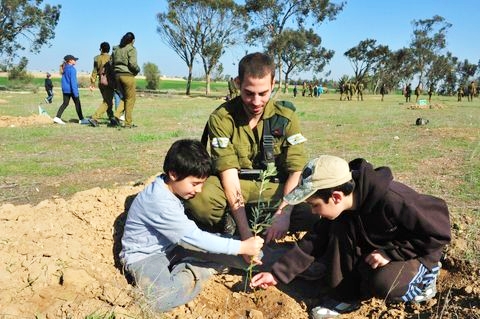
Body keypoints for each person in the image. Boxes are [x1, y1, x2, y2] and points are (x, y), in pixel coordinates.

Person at [251, 155, 451, 318]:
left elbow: (438, 233)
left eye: (314, 205)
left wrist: (392, 253)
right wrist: (276, 275)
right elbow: (313, 242)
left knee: (383, 284)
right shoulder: (342, 207)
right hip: (378, 248)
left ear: (336, 196)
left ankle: (426, 278)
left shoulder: (395, 200)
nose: (313, 212)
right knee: (336, 233)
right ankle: (346, 296)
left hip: (415, 250)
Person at [185, 52, 318, 250]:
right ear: (238, 83)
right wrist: (246, 236)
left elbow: (295, 170)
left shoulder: (287, 117)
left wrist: (283, 214)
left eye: (263, 93)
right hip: (234, 185)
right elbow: (228, 175)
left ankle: (270, 222)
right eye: (248, 93)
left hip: (276, 188)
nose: (256, 102)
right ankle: (234, 225)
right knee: (200, 200)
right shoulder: (222, 118)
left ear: (273, 84)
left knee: (314, 206)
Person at [120, 139, 264, 312]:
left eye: (202, 183)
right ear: (173, 174)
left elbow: (191, 238)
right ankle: (198, 269)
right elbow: (193, 238)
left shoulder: (174, 187)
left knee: (255, 255)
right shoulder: (158, 200)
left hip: (177, 246)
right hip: (146, 257)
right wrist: (241, 246)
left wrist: (246, 249)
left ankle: (290, 265)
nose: (199, 190)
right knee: (159, 299)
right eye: (195, 184)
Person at [110, 32, 140, 128]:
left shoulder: (116, 49)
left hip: (117, 76)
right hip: (127, 76)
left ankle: (116, 116)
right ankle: (128, 123)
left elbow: (111, 62)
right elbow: (132, 64)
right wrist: (138, 70)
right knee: (131, 99)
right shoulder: (131, 49)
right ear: (133, 40)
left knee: (125, 97)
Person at [53, 55, 91, 125]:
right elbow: (73, 82)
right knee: (77, 104)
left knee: (65, 103)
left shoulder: (65, 68)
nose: (75, 61)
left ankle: (57, 118)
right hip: (71, 90)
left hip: (65, 89)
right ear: (70, 61)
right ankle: (81, 119)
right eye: (74, 60)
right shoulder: (72, 69)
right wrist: (76, 93)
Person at [88, 42, 115, 127]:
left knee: (108, 101)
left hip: (101, 83)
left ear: (101, 49)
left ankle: (112, 119)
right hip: (109, 83)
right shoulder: (111, 58)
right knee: (107, 102)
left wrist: (92, 83)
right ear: (109, 49)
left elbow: (94, 71)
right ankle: (94, 118)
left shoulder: (97, 58)